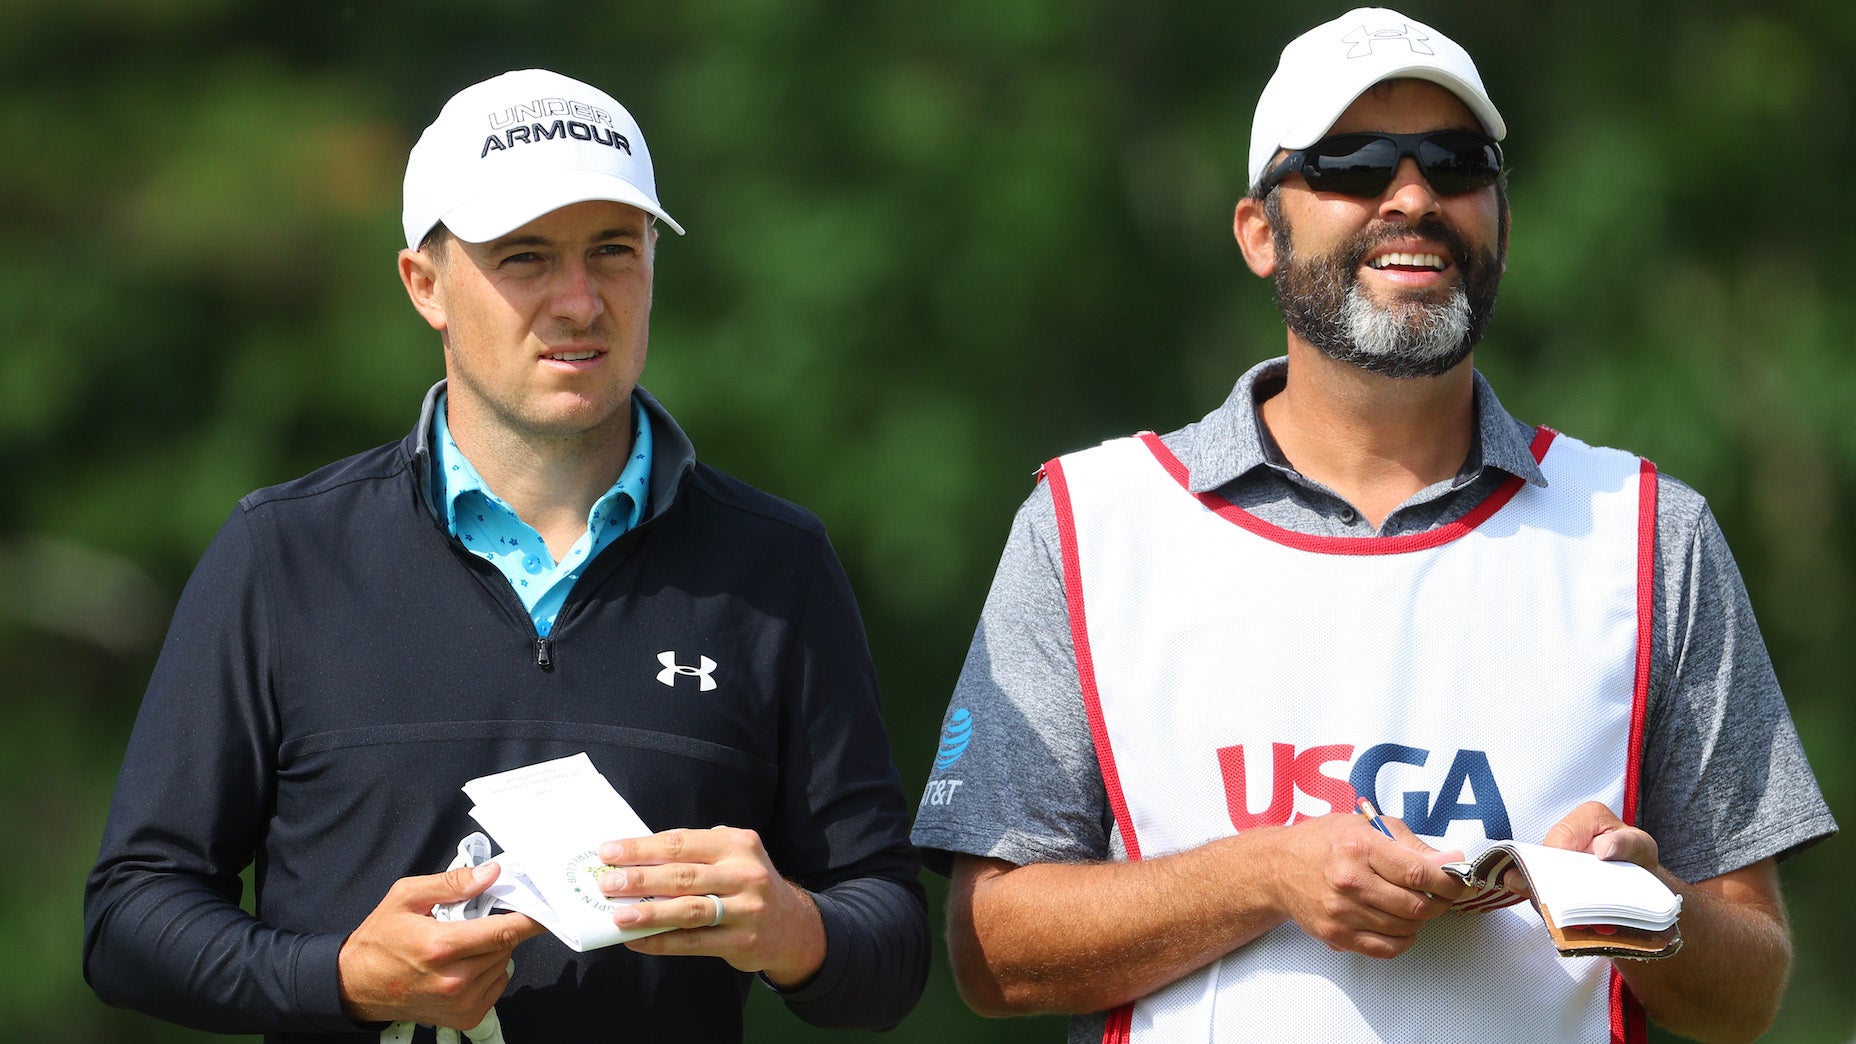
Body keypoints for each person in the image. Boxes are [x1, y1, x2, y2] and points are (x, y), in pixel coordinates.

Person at [910, 9, 1837, 1043]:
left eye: (1456, 164)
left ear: (1501, 218)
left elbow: (1749, 992)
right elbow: (989, 953)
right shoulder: (1092, 521)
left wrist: (1647, 910)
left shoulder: (1647, 531)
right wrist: (1265, 874)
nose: (1412, 199)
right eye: (1350, 165)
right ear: (1259, 233)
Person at [84, 68, 927, 1042]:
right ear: (425, 285)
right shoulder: (284, 555)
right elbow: (129, 920)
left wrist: (794, 929)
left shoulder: (776, 567)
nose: (580, 301)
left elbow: (891, 942)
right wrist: (342, 979)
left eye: (613, 250)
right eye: (525, 257)